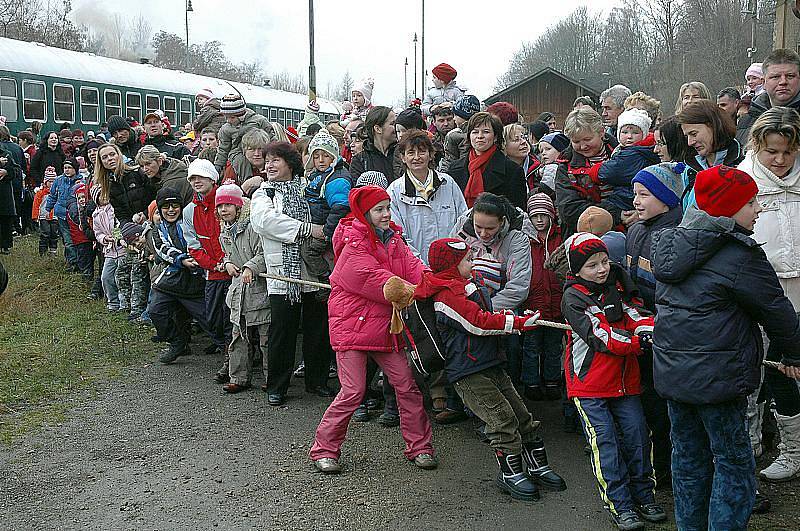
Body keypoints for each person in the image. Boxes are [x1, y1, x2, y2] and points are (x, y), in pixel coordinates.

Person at [651, 165, 800, 530]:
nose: (758, 210)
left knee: (688, 460)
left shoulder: (671, 247)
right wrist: (795, 353)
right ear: (729, 209)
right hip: (720, 381)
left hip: (674, 378)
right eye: (751, 203)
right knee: (734, 462)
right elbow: (776, 311)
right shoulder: (740, 256)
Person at [415, 237, 565, 499]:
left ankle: (537, 466)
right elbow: (477, 323)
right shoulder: (446, 295)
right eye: (467, 261)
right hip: (468, 371)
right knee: (501, 421)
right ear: (451, 265)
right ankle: (510, 473)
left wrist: (513, 319)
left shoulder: (465, 286)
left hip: (490, 363)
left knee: (521, 415)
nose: (472, 265)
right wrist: (517, 323)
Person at [309, 185, 436, 474]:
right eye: (379, 209)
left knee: (407, 385)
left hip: (386, 327)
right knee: (353, 391)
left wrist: (433, 282)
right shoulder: (353, 243)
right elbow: (372, 278)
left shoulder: (393, 239)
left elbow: (412, 266)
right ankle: (324, 449)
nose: (386, 214)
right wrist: (413, 289)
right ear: (365, 213)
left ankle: (421, 446)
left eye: (388, 208)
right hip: (353, 326)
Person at [561, 232, 666, 531]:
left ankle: (645, 496)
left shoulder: (617, 285)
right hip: (590, 384)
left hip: (625, 381)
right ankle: (620, 505)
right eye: (592, 265)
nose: (602, 269)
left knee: (637, 437)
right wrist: (637, 343)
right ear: (578, 269)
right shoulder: (573, 297)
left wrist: (648, 329)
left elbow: (634, 313)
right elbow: (600, 335)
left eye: (605, 261)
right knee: (605, 443)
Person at [738, 106, 800, 481]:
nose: (779, 160)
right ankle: (748, 452)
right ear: (756, 147)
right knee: (753, 375)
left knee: (789, 373)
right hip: (757, 293)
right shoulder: (742, 182)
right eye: (771, 152)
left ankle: (793, 450)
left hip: (798, 293)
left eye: (787, 152)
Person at [250, 142, 333, 406]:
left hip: (311, 270)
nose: (270, 166)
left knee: (317, 330)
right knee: (282, 332)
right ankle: (277, 386)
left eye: (276, 160)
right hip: (282, 273)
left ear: (290, 163)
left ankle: (317, 380)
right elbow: (265, 222)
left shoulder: (308, 188)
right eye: (267, 162)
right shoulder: (264, 194)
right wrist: (307, 229)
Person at [625, 163, 685, 487]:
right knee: (648, 405)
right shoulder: (636, 230)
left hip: (664, 336)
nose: (636, 201)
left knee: (665, 412)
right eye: (635, 193)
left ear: (666, 199)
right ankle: (657, 468)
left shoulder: (675, 235)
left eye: (644, 194)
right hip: (642, 333)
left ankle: (670, 468)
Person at [145, 187, 214, 364]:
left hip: (196, 276)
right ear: (159, 210)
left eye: (174, 205)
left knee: (210, 318)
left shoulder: (190, 221)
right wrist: (181, 259)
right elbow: (162, 250)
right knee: (155, 310)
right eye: (166, 207)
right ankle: (176, 342)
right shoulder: (157, 229)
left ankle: (226, 347)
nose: (170, 210)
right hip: (172, 276)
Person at [214, 183, 270, 393]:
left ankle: (271, 377)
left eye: (228, 205)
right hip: (238, 294)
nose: (224, 210)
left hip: (259, 290)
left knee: (266, 339)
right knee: (238, 338)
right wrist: (227, 263)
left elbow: (264, 253)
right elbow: (227, 254)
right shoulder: (224, 232)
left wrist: (250, 267)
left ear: (239, 207)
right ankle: (238, 377)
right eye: (220, 206)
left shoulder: (253, 228)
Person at [181, 158, 233, 382]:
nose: (196, 181)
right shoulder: (189, 211)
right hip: (213, 273)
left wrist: (227, 260)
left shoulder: (225, 202)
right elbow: (193, 246)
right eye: (192, 178)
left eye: (201, 177)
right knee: (212, 320)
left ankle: (232, 361)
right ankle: (231, 353)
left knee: (232, 319)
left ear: (212, 178)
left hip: (233, 270)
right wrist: (213, 264)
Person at [522, 194, 564, 401]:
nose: (539, 220)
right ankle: (531, 382)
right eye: (535, 216)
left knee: (553, 346)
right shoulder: (524, 240)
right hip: (533, 301)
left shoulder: (559, 238)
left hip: (556, 301)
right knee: (531, 346)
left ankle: (552, 380)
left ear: (551, 215)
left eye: (543, 215)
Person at [555, 108, 618, 236]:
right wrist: (616, 214)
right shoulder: (565, 166)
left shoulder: (623, 154)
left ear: (601, 132)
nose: (583, 146)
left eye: (587, 139)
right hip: (585, 233)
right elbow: (569, 209)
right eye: (576, 142)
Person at [302, 130, 352, 286]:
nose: (321, 160)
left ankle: (326, 278)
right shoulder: (316, 175)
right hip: (318, 224)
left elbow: (340, 207)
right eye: (316, 157)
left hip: (328, 227)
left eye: (325, 156)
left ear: (334, 156)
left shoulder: (337, 178)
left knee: (308, 252)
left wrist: (327, 230)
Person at [448, 112, 527, 209]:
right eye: (475, 132)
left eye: (486, 132)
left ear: (495, 137)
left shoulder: (512, 170)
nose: (480, 136)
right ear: (469, 136)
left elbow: (518, 212)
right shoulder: (454, 169)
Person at [677, 99, 745, 211]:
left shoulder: (743, 164)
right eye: (687, 136)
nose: (690, 142)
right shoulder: (689, 170)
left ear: (713, 126)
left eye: (694, 134)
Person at [214, 94, 276, 182]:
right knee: (240, 161)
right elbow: (223, 148)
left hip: (260, 147)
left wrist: (275, 154)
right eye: (226, 117)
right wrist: (218, 165)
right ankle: (247, 181)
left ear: (241, 115)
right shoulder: (226, 129)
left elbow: (272, 138)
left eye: (232, 117)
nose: (229, 120)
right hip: (237, 151)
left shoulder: (259, 121)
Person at [44, 157, 82, 269]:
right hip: (61, 214)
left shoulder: (80, 180)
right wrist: (48, 209)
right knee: (67, 239)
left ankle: (79, 260)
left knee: (76, 239)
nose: (67, 170)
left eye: (69, 168)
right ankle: (72, 262)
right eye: (65, 168)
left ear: (75, 169)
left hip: (76, 215)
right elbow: (52, 195)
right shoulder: (58, 180)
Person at [91, 185, 124, 312]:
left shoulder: (115, 208)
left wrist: (117, 237)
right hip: (109, 250)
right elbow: (97, 232)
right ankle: (113, 302)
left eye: (105, 193)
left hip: (121, 248)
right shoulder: (95, 215)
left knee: (121, 276)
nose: (104, 196)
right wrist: (104, 238)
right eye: (100, 195)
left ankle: (124, 303)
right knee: (106, 277)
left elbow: (119, 223)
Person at [350, 106, 398, 182]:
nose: (397, 127)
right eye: (392, 124)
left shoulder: (402, 154)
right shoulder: (361, 161)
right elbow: (359, 191)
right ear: (378, 129)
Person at [440, 94, 480, 173]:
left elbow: (449, 161)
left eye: (456, 115)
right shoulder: (485, 132)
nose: (454, 119)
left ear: (463, 115)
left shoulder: (453, 135)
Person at [66, 183, 94, 281]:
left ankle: (88, 276)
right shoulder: (75, 209)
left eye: (84, 197)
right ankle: (86, 279)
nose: (82, 200)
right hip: (81, 239)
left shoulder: (88, 207)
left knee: (89, 259)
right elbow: (79, 222)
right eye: (79, 198)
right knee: (84, 259)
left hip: (87, 238)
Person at [502, 123, 540, 194]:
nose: (524, 142)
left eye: (524, 138)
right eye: (516, 140)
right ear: (504, 146)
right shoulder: (499, 171)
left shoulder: (538, 169)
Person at [0, 145, 21, 254]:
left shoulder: (6, 154)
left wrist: (6, 172)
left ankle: (5, 245)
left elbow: (16, 170)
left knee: (4, 220)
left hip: (4, 194)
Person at [32, 168, 58, 256]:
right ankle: (43, 251)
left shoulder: (57, 193)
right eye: (49, 181)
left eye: (53, 181)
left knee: (54, 233)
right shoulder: (40, 193)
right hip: (43, 216)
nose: (51, 184)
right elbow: (36, 205)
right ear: (45, 182)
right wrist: (35, 216)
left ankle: (53, 250)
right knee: (45, 233)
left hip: (55, 216)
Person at [536, 132, 569, 197]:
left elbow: (545, 189)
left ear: (560, 150)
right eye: (541, 151)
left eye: (548, 149)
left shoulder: (552, 168)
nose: (543, 153)